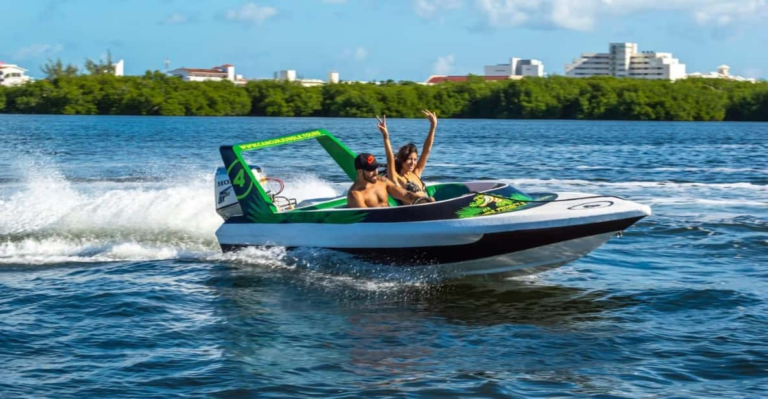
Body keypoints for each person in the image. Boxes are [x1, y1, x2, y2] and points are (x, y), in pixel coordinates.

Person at [376, 110, 437, 195]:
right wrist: (386, 137)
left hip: (428, 204)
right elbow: (390, 159)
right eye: (409, 159)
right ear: (402, 160)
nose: (413, 162)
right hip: (416, 207)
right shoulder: (396, 177)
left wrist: (433, 126)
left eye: (415, 159)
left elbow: (426, 151)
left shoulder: (416, 173)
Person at [347, 153, 429, 208]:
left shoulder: (382, 181)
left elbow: (404, 194)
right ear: (360, 172)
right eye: (371, 170)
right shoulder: (355, 195)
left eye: (376, 168)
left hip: (392, 222)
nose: (376, 172)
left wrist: (425, 201)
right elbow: (367, 220)